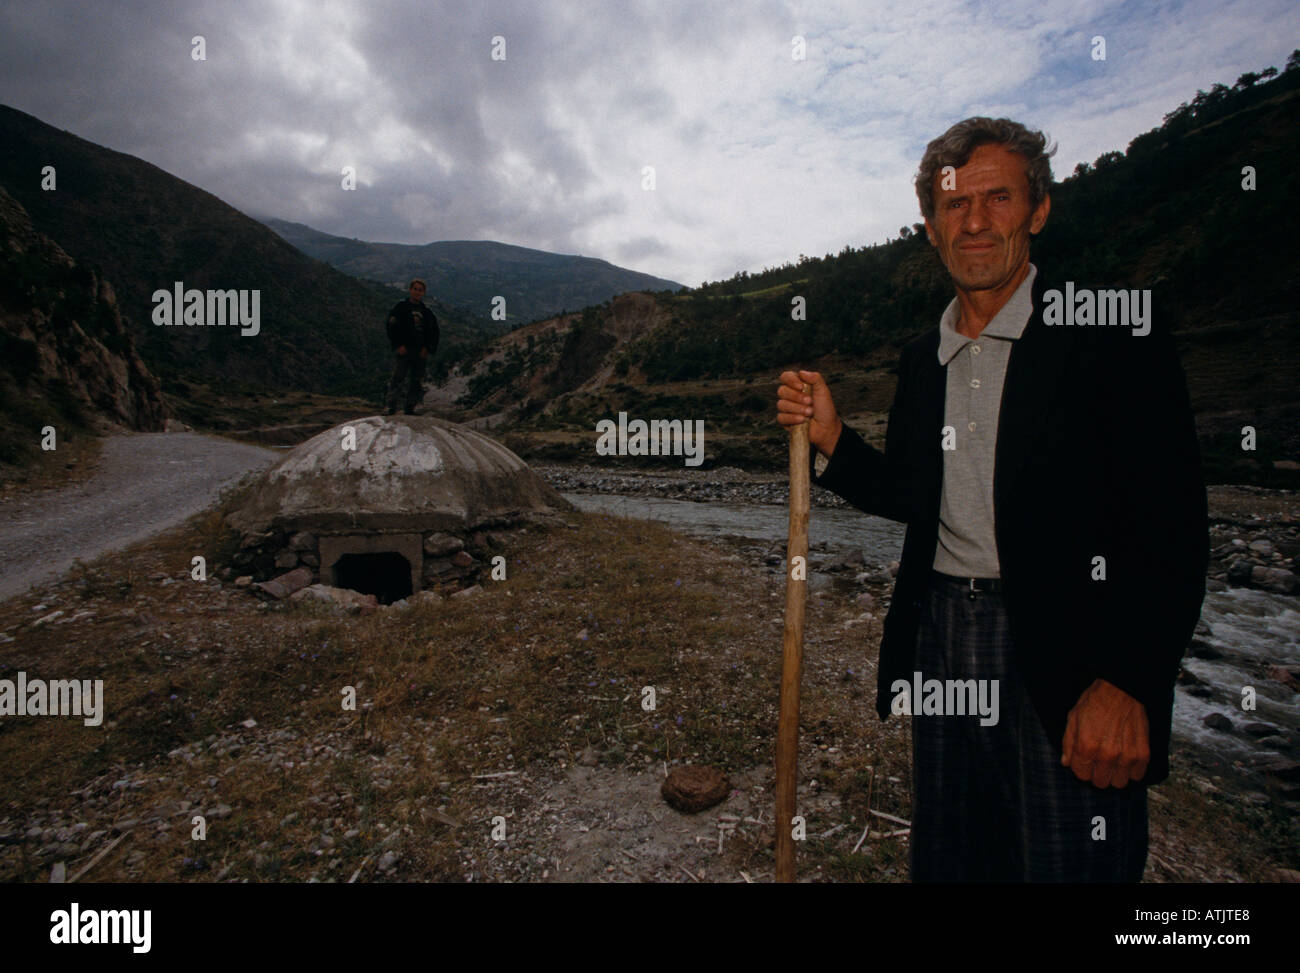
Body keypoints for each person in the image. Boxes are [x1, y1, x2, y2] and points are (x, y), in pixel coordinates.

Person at [775, 116, 1207, 882]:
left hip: (1071, 646)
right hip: (943, 631)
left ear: (1038, 211)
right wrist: (834, 438)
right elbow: (916, 492)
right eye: (953, 204)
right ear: (932, 225)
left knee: (1069, 861)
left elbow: (1170, 525)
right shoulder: (924, 357)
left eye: (997, 199)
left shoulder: (1111, 334)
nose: (974, 221)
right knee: (954, 854)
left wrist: (1131, 680)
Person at [385, 278, 439, 415]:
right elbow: (391, 327)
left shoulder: (427, 312)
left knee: (416, 381)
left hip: (420, 351)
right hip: (404, 349)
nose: (417, 292)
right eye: (415, 289)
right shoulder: (401, 308)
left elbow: (434, 332)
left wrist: (428, 348)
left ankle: (410, 408)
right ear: (410, 290)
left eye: (420, 290)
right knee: (397, 378)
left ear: (423, 292)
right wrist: (397, 345)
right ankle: (390, 406)